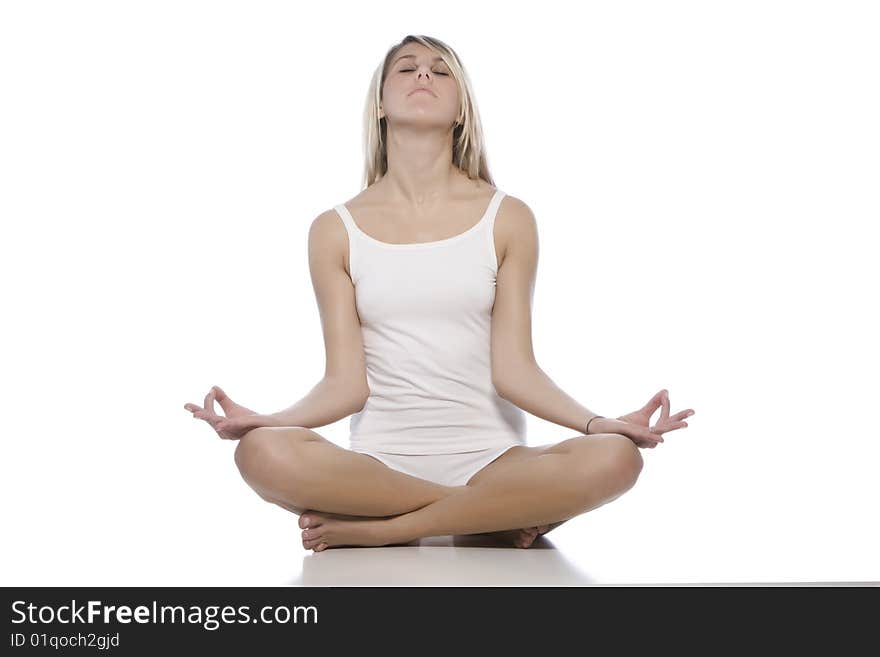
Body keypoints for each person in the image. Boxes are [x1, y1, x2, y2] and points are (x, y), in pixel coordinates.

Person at [184, 35, 695, 553]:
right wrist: (269, 421)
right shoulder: (334, 230)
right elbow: (345, 386)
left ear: (460, 110)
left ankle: (391, 527)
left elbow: (515, 371)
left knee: (616, 458)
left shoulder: (508, 217)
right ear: (380, 105)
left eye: (440, 71)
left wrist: (598, 422)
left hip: (495, 463)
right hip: (377, 469)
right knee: (261, 453)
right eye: (406, 69)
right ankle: (484, 516)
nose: (423, 76)